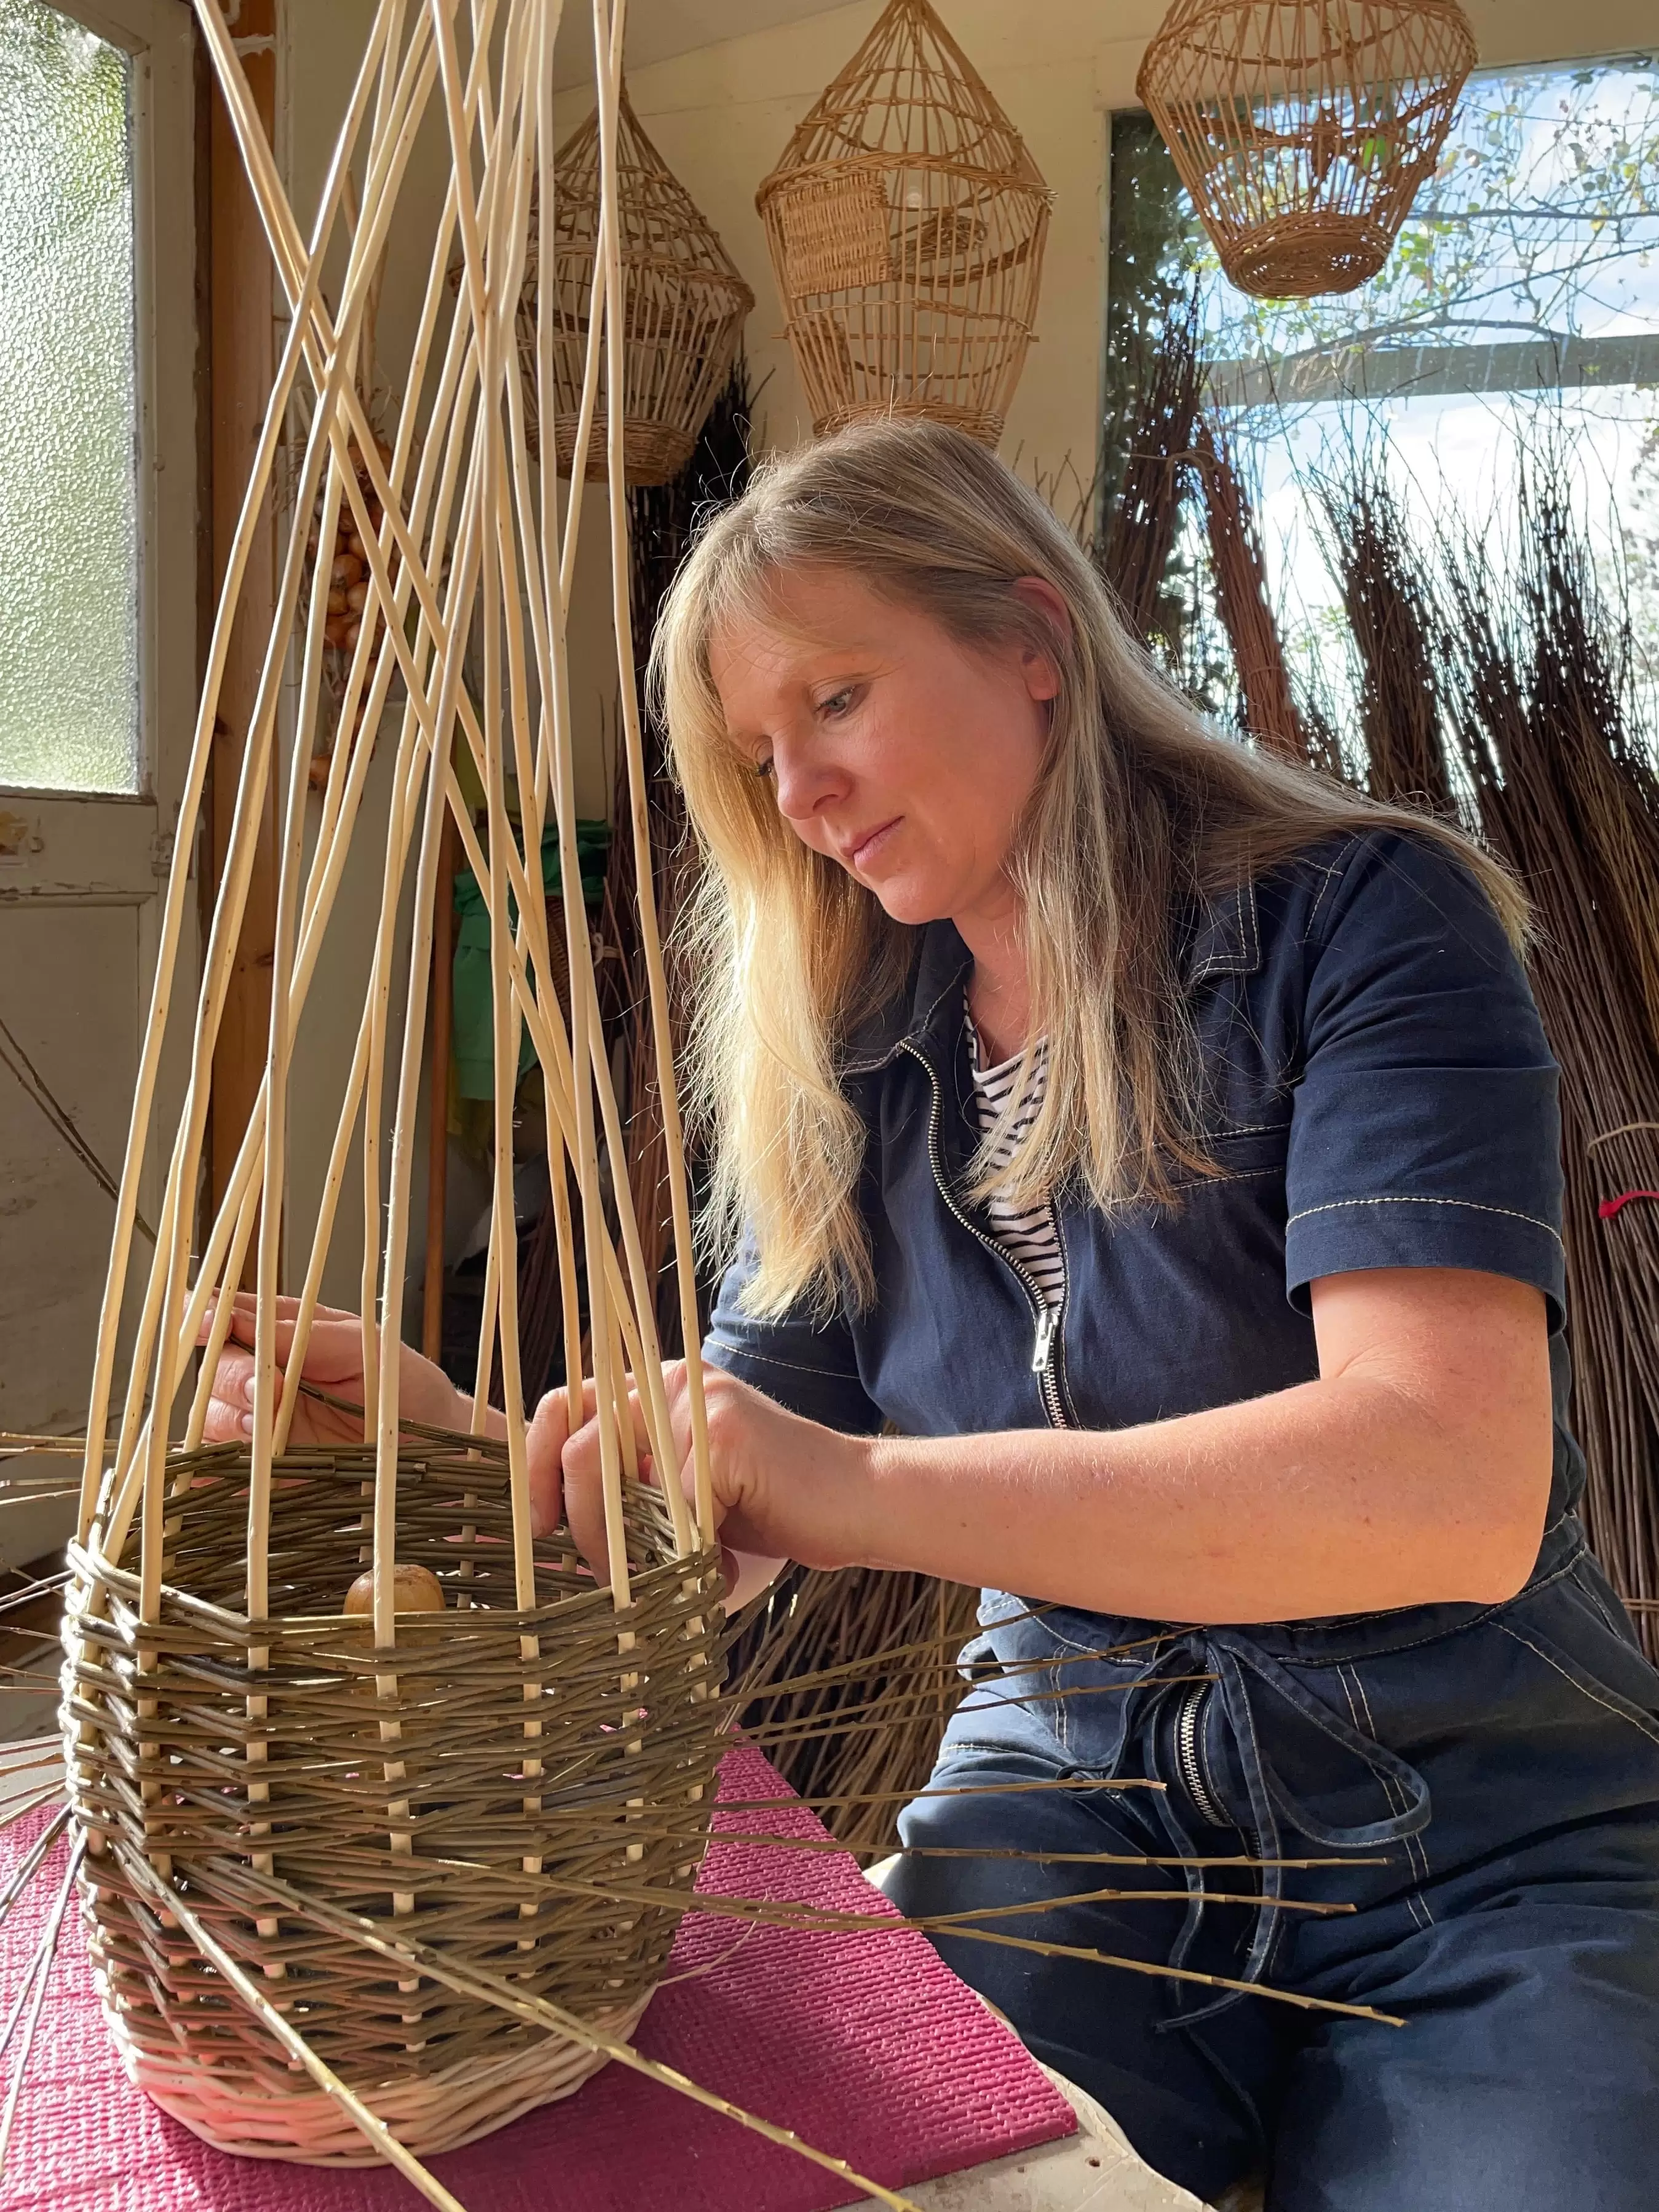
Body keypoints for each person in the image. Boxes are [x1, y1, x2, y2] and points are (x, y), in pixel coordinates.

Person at [208, 421, 1659, 2210]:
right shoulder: (853, 1044)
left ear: (1033, 642)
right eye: (756, 750)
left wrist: (859, 1484)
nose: (797, 789)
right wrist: (460, 1456)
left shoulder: (1363, 922)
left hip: (1481, 1824)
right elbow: (731, 1502)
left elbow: (1447, 1474)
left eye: (835, 697)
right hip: (1071, 1817)